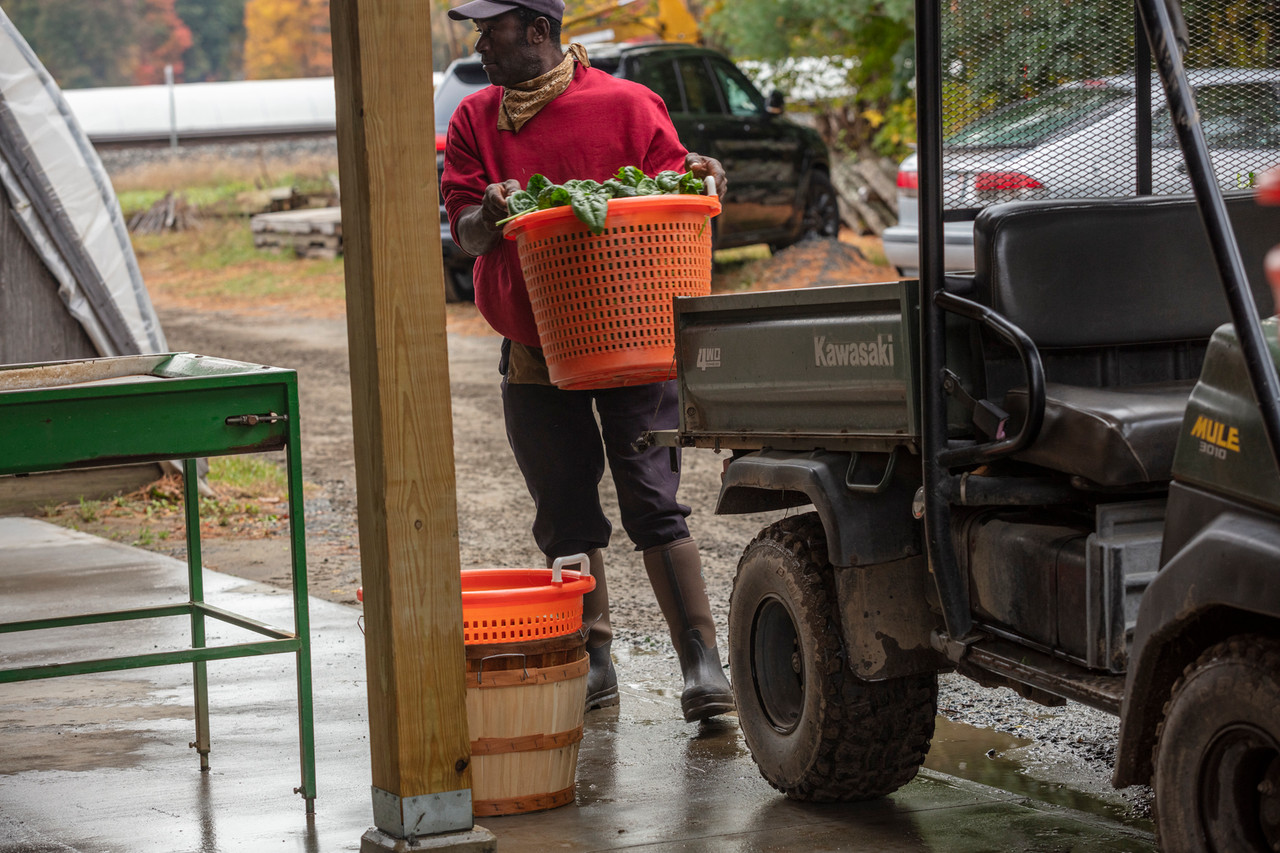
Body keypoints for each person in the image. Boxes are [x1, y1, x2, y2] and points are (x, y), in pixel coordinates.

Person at [440, 0, 733, 722]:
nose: (479, 43)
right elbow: (465, 230)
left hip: (629, 331)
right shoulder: (475, 119)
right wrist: (491, 210)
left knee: (653, 502)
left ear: (539, 30)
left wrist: (705, 173)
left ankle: (700, 661)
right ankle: (592, 657)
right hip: (535, 345)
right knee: (564, 509)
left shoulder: (629, 106)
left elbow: (681, 191)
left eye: (491, 28)